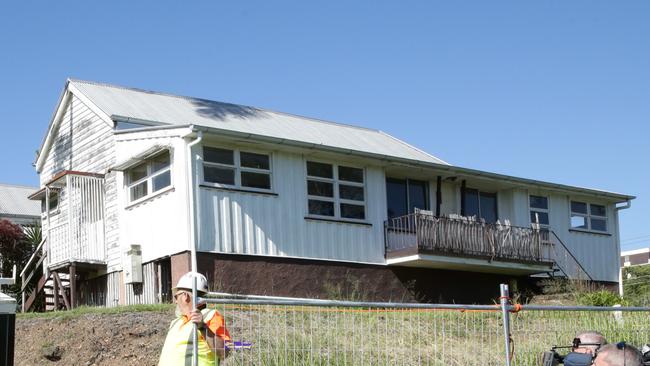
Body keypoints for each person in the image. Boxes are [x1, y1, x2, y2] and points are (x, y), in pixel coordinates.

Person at [159, 272, 231, 366]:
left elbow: (224, 352)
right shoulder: (176, 322)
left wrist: (203, 327)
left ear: (185, 296)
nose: (175, 301)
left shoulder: (211, 315)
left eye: (176, 296)